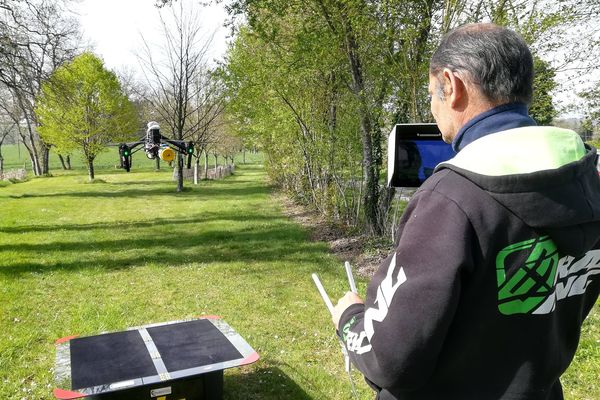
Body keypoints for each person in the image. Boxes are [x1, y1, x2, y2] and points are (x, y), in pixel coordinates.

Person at [332, 23, 600, 400]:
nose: (432, 107)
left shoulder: (452, 198)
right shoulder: (590, 185)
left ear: (451, 85)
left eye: (431, 94)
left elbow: (390, 360)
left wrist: (349, 318)